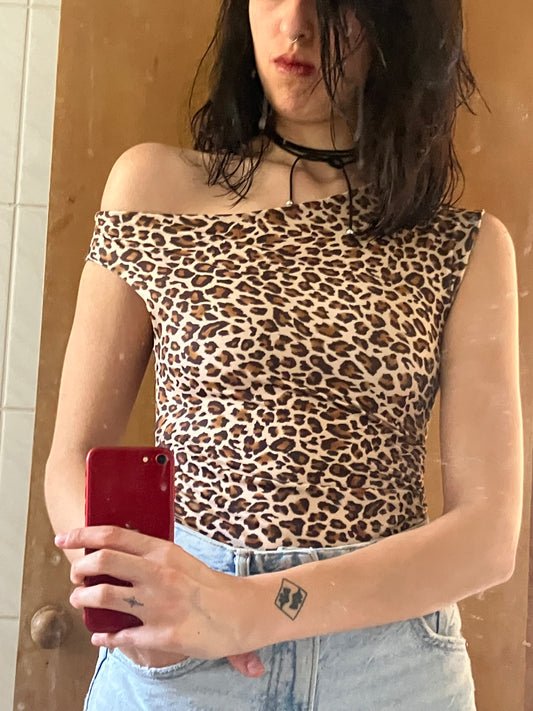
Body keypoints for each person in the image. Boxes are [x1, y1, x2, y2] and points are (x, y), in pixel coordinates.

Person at [45, 1, 523, 709]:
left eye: (335, 4)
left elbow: (487, 535)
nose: (295, 24)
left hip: (387, 664)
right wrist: (122, 588)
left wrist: (251, 609)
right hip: (181, 635)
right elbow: (73, 456)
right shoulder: (156, 189)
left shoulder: (464, 246)